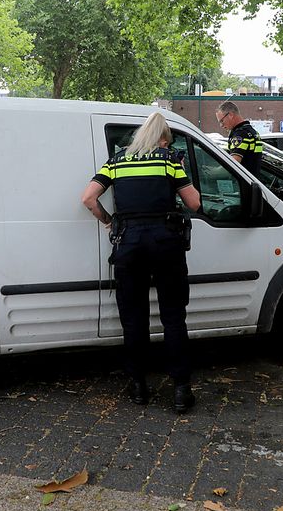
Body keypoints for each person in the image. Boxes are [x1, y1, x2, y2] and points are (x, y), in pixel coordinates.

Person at [80, 112, 202, 414]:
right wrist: (181, 172)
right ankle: (180, 390)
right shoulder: (169, 160)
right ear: (162, 138)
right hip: (165, 243)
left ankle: (138, 386)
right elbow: (194, 203)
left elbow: (88, 198)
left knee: (133, 317)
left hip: (129, 243)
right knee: (173, 316)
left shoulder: (117, 161)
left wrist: (109, 221)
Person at [215, 102, 262, 175]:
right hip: (252, 179)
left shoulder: (241, 134)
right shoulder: (251, 131)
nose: (221, 125)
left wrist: (214, 172)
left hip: (244, 182)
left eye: (222, 121)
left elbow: (233, 162)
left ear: (230, 115)